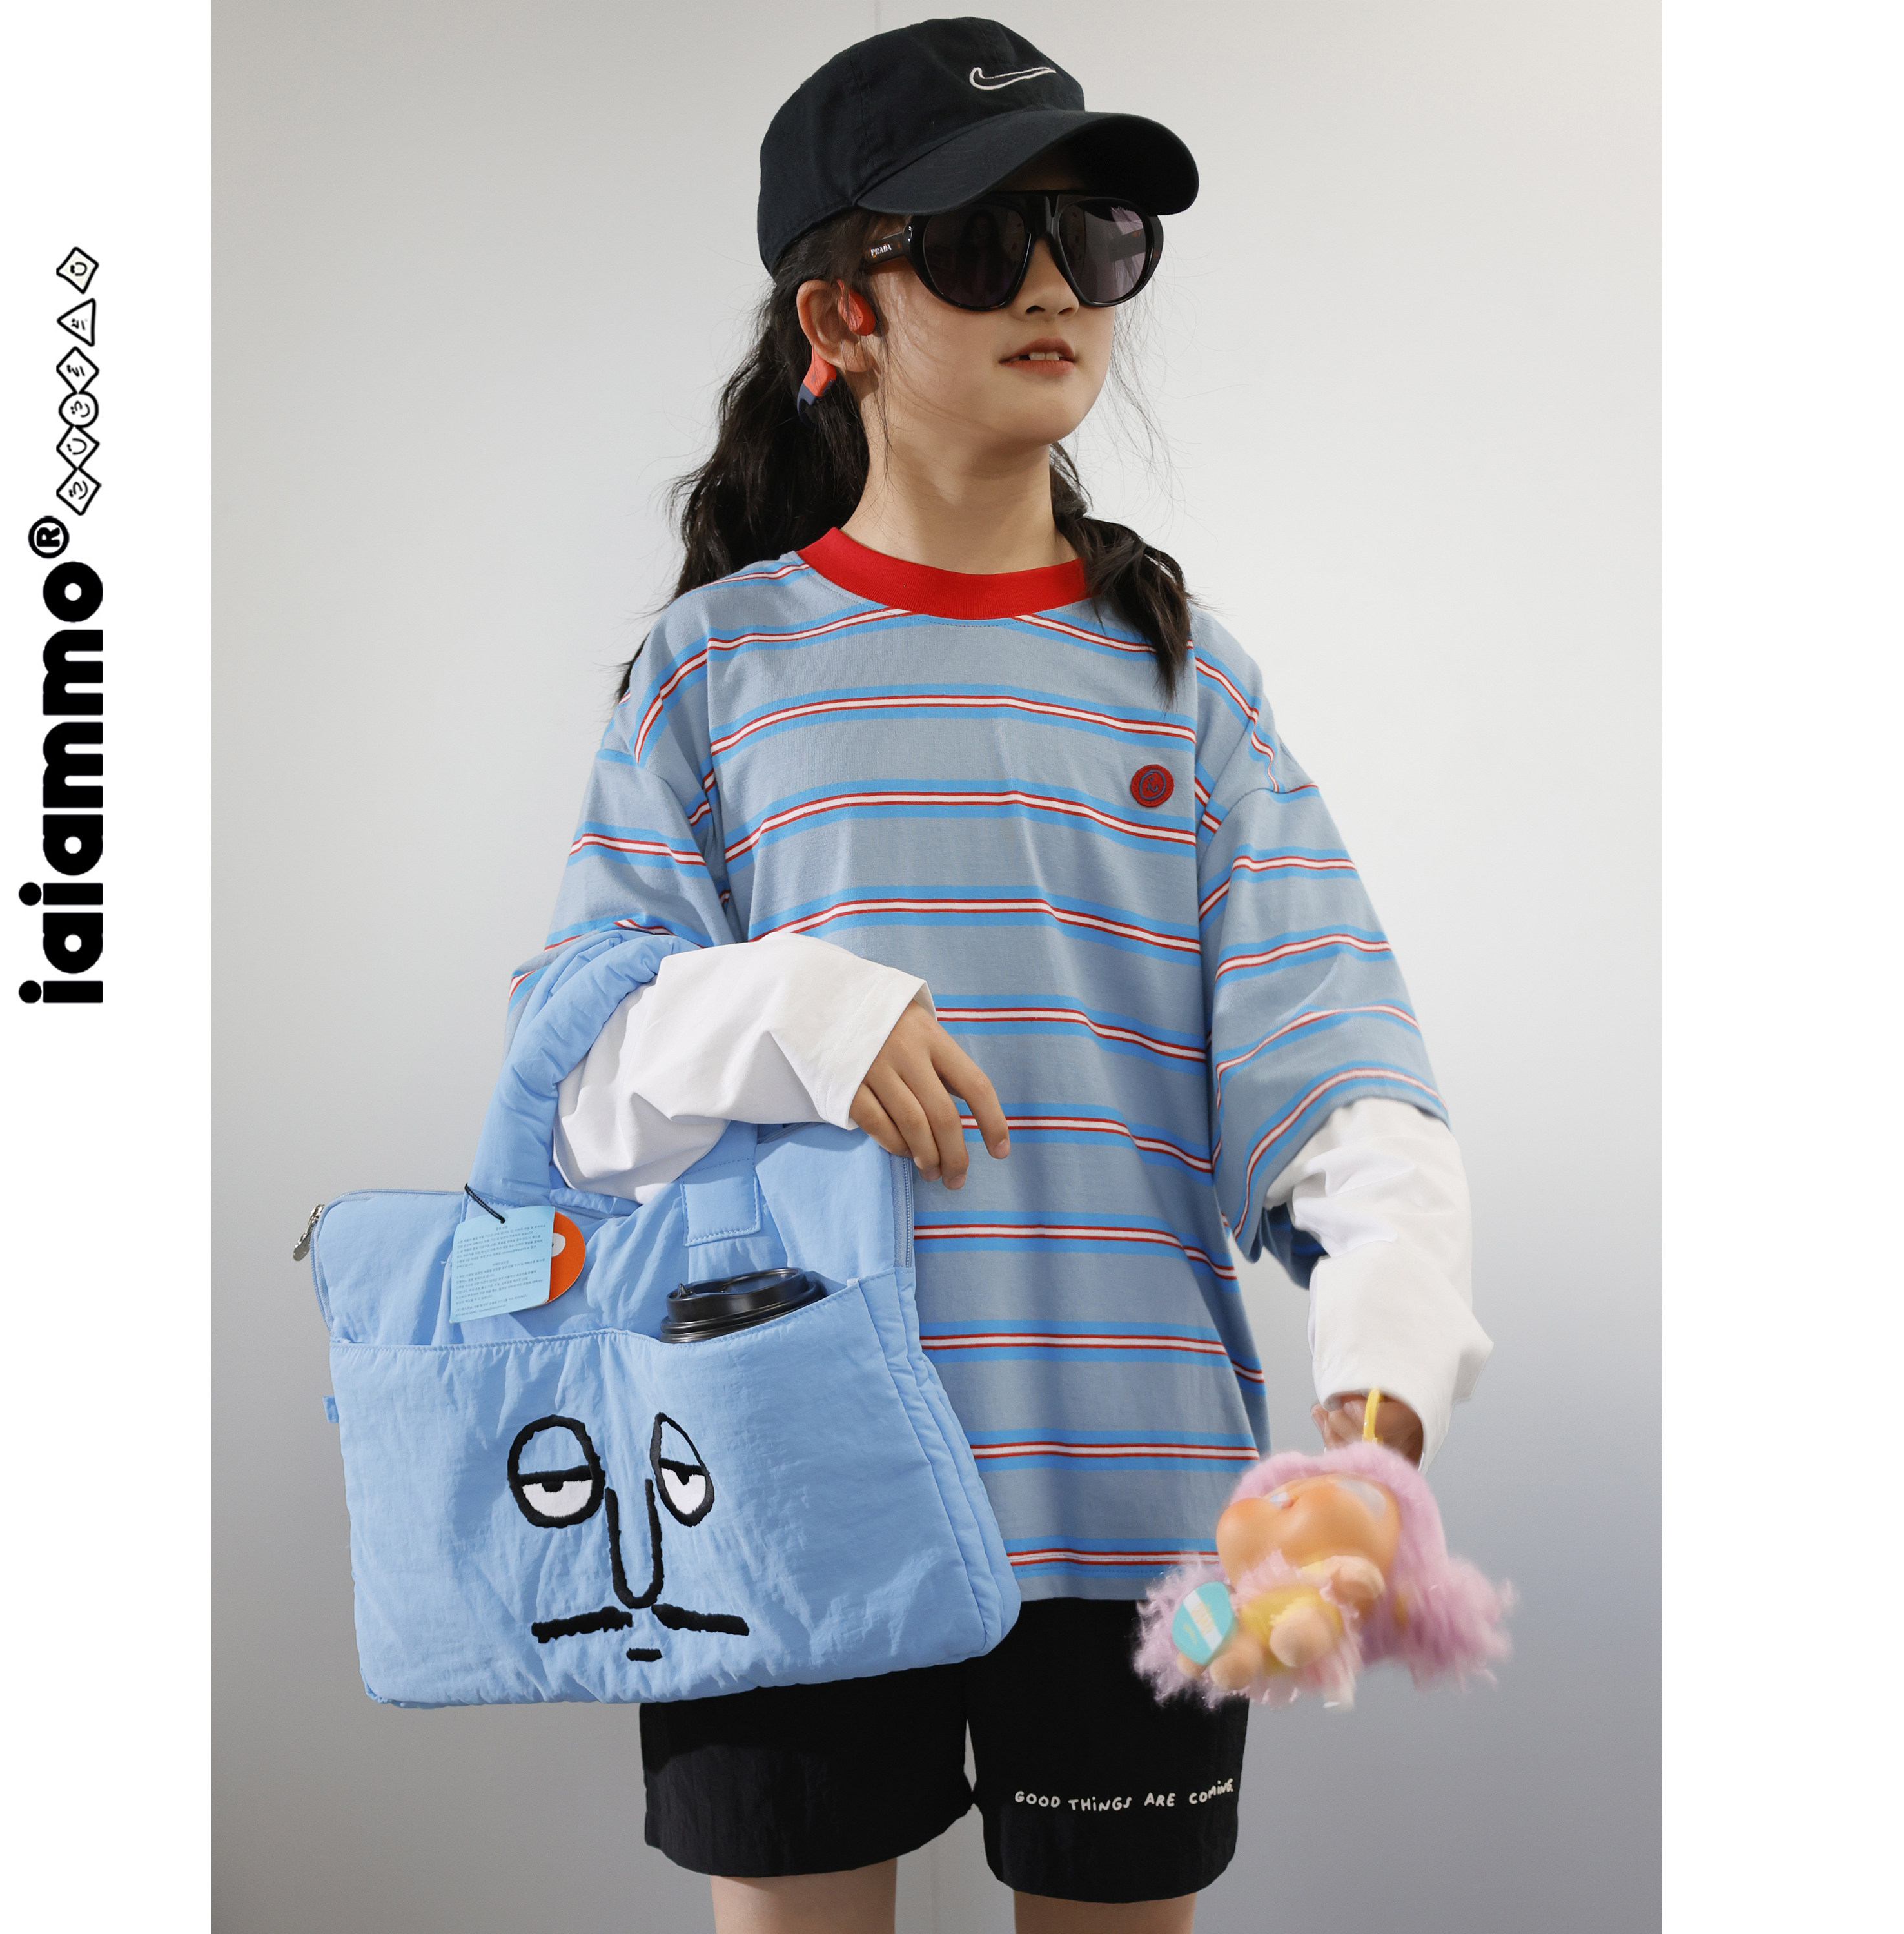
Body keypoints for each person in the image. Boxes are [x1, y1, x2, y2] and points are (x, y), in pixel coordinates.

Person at [505, 19, 1493, 1934]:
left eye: (1093, 235)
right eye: (978, 242)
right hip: (775, 1478)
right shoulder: (715, 673)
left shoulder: (1182, 681)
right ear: (842, 315)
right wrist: (801, 1006)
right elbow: (579, 1091)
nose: (1053, 284)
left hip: (1128, 1500)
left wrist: (1378, 1416)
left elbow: (1340, 1075)